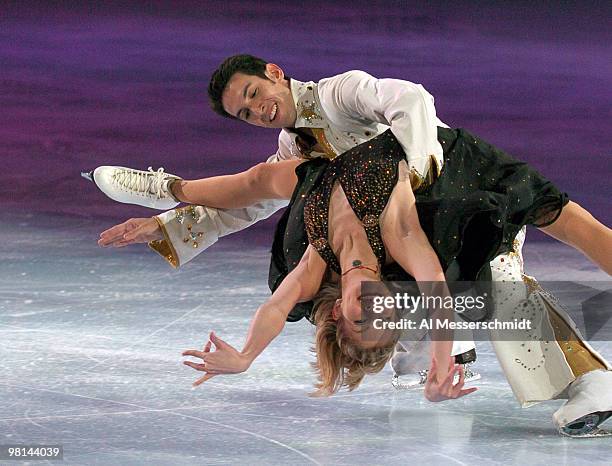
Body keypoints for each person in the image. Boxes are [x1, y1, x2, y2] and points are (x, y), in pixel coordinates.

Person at [98, 125, 612, 436]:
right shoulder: (323, 197)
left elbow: (248, 197)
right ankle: (438, 346)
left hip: (455, 187)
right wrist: (168, 206)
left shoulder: (333, 134)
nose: (367, 303)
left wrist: (167, 200)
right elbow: (245, 196)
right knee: (462, 293)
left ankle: (572, 377)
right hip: (436, 246)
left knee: (535, 252)